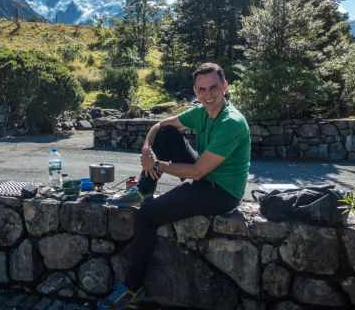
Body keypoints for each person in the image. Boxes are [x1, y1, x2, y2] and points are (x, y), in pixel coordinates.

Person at [98, 62, 251, 310]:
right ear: (195, 91)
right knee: (167, 133)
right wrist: (147, 148)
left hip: (221, 192)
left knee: (147, 215)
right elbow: (158, 126)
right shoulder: (201, 111)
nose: (208, 95)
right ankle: (142, 191)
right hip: (206, 174)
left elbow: (198, 170)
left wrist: (157, 164)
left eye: (214, 88)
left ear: (225, 86)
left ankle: (132, 289)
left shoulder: (231, 122)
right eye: (202, 90)